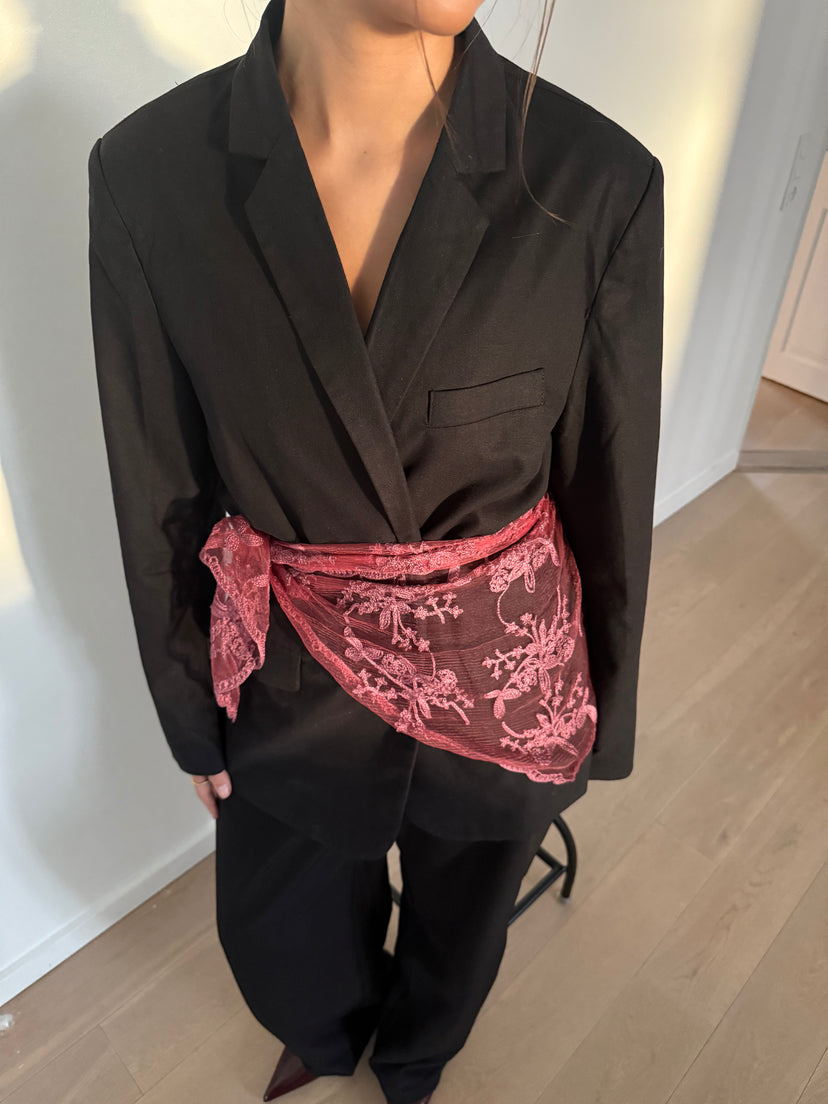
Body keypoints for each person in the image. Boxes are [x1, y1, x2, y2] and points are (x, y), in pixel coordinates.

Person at [86, 1, 664, 1102]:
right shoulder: (149, 177)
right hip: (289, 676)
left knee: (466, 919)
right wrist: (188, 715)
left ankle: (416, 1057)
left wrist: (603, 715)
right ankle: (328, 1025)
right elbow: (158, 483)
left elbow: (609, 480)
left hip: (503, 684)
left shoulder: (595, 180)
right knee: (283, 922)